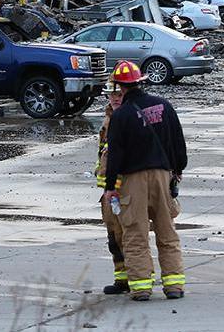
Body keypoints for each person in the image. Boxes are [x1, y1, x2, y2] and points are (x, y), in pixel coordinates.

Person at [103, 61, 187, 302]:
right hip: (163, 175)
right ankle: (174, 286)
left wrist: (110, 188)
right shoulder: (164, 106)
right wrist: (178, 170)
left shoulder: (122, 115)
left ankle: (141, 288)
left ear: (121, 86)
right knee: (166, 230)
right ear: (142, 81)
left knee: (135, 233)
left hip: (133, 180)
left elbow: (115, 154)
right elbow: (178, 142)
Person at [96, 81, 129, 295]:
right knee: (114, 238)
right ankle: (121, 278)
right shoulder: (108, 119)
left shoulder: (128, 117)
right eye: (111, 94)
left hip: (127, 188)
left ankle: (139, 276)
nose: (115, 98)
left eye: (119, 93)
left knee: (132, 236)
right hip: (110, 191)